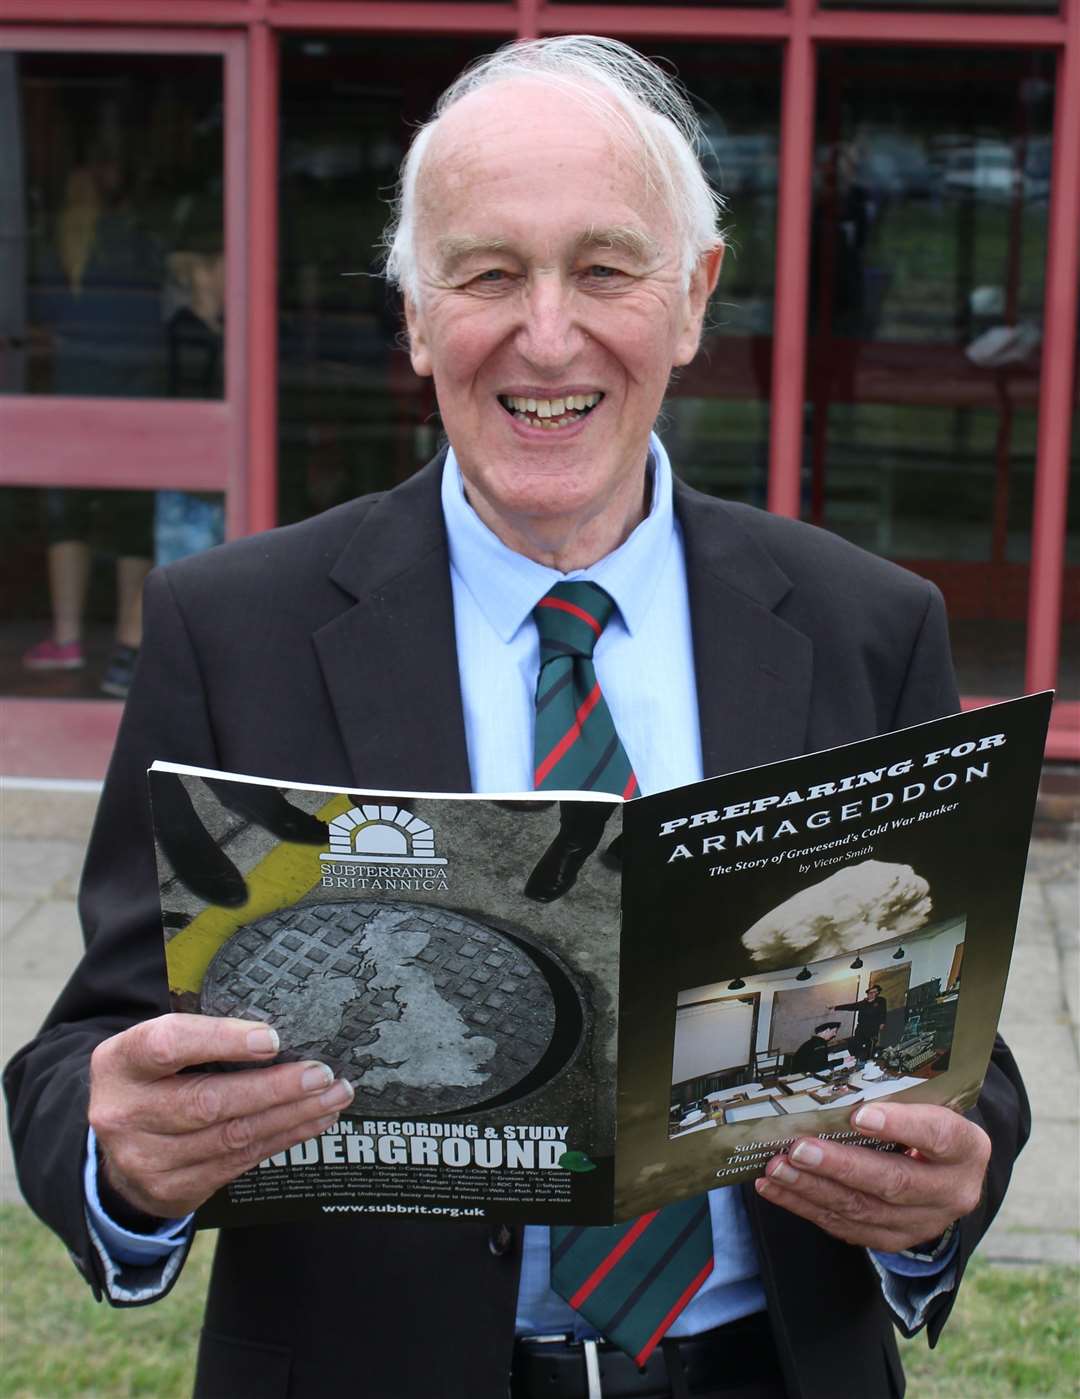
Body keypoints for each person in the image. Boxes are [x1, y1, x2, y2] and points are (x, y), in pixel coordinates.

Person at [4, 37, 1029, 1399]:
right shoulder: (231, 627)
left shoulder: (864, 621)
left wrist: (950, 1181)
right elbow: (89, 1052)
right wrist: (120, 1154)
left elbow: (954, 1036)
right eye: (489, 274)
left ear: (691, 298)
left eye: (604, 270)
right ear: (419, 316)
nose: (548, 335)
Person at [833, 984, 889, 1059]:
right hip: (861, 1028)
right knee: (858, 1046)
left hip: (872, 1028)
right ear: (868, 993)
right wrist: (836, 1007)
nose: (872, 994)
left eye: (875, 992)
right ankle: (856, 1059)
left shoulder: (881, 1001)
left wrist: (883, 1022)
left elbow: (883, 1012)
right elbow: (851, 1006)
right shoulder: (863, 1003)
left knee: (869, 1047)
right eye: (871, 992)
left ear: (877, 993)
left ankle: (868, 1060)